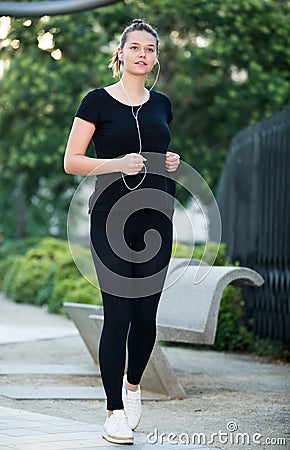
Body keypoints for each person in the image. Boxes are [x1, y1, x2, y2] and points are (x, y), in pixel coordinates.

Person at [64, 19, 180, 445]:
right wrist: (117, 164)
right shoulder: (96, 101)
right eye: (135, 48)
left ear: (155, 58)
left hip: (156, 218)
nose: (143, 55)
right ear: (121, 54)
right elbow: (72, 161)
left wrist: (170, 160)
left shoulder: (162, 104)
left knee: (146, 315)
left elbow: (159, 148)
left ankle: (133, 389)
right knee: (119, 314)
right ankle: (113, 410)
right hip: (110, 219)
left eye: (150, 49)